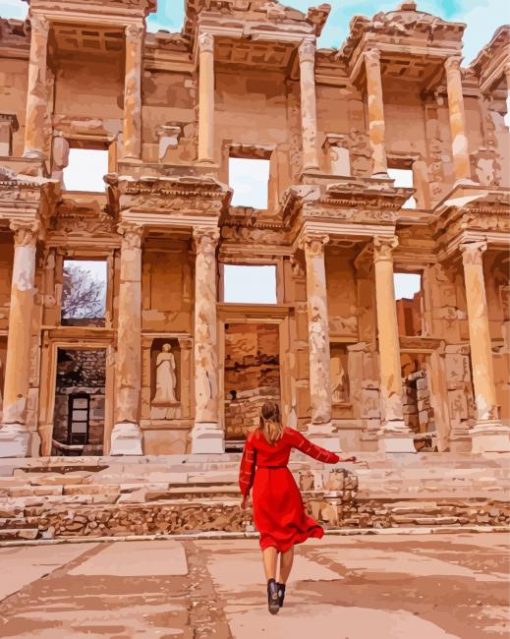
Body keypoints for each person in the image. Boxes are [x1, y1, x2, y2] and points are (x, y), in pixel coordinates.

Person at [238, 401, 359, 615]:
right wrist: (339, 458)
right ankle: (282, 587)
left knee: (268, 537)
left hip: (264, 486)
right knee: (287, 537)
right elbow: (314, 451)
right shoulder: (289, 435)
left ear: (261, 416)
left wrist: (245, 493)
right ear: (278, 414)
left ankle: (270, 584)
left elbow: (247, 467)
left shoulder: (253, 437)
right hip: (284, 484)